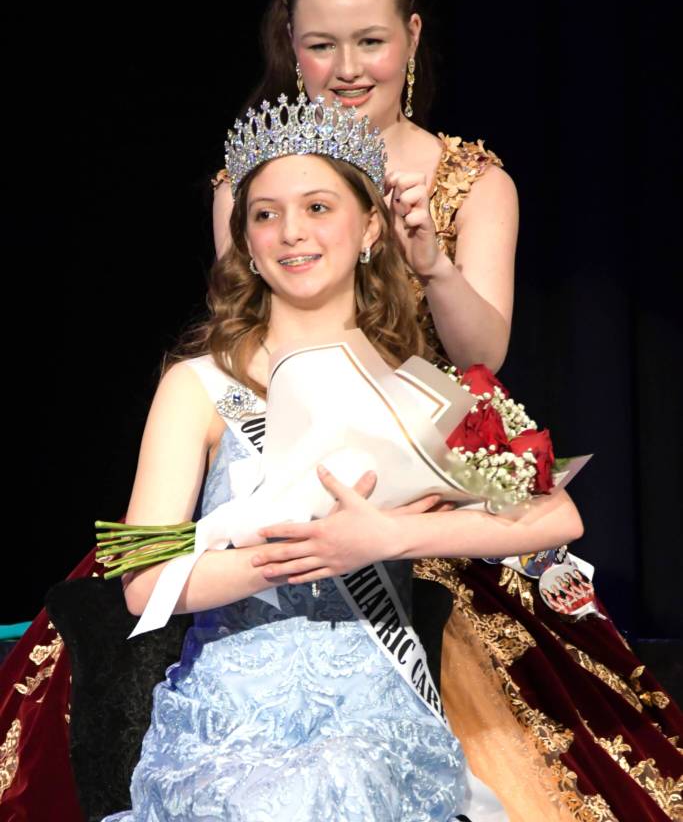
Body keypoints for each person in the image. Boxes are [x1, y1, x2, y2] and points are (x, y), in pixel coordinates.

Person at [211, 0, 683, 821]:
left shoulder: (472, 180)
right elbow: (240, 354)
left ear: (413, 38)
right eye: (319, 45)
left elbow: (484, 350)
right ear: (288, 49)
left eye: (370, 41)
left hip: (429, 487)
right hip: (289, 486)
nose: (347, 68)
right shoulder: (247, 186)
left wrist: (428, 264)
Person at [102, 97, 584, 821]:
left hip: (378, 714)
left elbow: (555, 516)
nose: (290, 232)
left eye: (318, 207)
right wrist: (302, 551)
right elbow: (143, 584)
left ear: (368, 229)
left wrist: (389, 539)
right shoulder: (199, 384)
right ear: (246, 241)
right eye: (264, 214)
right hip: (231, 722)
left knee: (349, 779)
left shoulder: (415, 382)